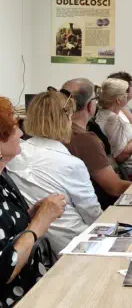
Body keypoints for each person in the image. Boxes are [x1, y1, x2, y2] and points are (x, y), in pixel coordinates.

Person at [7, 91, 102, 255]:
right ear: (66, 120)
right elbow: (93, 214)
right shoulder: (71, 164)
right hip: (74, 242)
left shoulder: (13, 154)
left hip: (32, 243)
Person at [0, 97, 66, 306]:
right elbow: (4, 271)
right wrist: (39, 223)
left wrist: (32, 215)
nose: (21, 133)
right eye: (13, 129)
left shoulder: (3, 177)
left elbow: (7, 231)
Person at [62, 78, 132, 209]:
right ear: (90, 105)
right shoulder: (85, 140)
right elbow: (115, 188)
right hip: (99, 207)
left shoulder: (58, 131)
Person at [95, 79, 132, 180]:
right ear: (118, 100)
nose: (127, 95)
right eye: (125, 93)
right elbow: (120, 156)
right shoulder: (112, 119)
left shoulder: (112, 112)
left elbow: (125, 140)